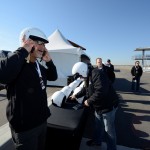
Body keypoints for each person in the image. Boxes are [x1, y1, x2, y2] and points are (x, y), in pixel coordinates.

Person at [0, 27, 58, 150]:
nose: (42, 47)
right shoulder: (17, 65)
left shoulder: (39, 67)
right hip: (25, 127)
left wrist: (49, 62)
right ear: (27, 43)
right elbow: (2, 74)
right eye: (37, 43)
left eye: (43, 44)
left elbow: (53, 76)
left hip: (41, 121)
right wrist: (23, 50)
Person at [70, 61, 119, 150]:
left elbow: (101, 91)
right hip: (99, 106)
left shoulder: (97, 74)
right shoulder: (88, 76)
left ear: (83, 71)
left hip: (108, 106)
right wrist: (75, 95)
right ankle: (97, 141)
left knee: (109, 131)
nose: (80, 78)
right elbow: (86, 89)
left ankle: (111, 148)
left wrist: (88, 101)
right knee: (98, 126)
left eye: (80, 76)